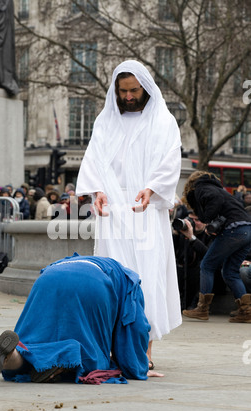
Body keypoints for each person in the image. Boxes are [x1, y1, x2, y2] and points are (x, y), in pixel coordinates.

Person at [76, 60, 182, 370]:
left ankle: (144, 354)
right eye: (123, 91)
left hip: (146, 210)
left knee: (147, 279)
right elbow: (94, 158)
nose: (129, 96)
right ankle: (114, 350)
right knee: (114, 279)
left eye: (134, 90)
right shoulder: (105, 121)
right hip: (113, 213)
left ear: (145, 87)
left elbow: (169, 160)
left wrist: (152, 189)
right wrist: (97, 191)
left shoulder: (163, 121)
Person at [0, 254, 163, 388]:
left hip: (48, 278)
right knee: (91, 356)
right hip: (92, 283)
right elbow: (136, 327)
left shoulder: (80, 260)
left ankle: (14, 356)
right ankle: (65, 362)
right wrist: (139, 366)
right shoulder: (131, 279)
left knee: (34, 339)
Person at [182, 171, 251, 323]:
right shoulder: (218, 189)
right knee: (230, 272)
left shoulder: (201, 188)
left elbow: (215, 201)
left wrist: (206, 219)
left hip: (234, 229)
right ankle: (246, 311)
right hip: (247, 229)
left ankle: (202, 309)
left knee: (207, 265)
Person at [173, 209, 214, 310]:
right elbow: (172, 252)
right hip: (182, 267)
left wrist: (192, 237)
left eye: (198, 220)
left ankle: (195, 305)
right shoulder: (182, 232)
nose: (193, 223)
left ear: (206, 223)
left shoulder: (210, 234)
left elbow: (207, 254)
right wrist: (175, 234)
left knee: (200, 271)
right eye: (191, 219)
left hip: (199, 270)